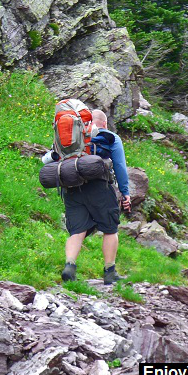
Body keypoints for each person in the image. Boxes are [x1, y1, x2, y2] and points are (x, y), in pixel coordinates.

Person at [59, 109, 130, 285]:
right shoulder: (110, 137)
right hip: (99, 187)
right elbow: (120, 166)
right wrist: (125, 192)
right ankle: (109, 272)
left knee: (77, 230)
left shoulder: (70, 137)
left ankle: (69, 266)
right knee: (110, 228)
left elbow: (49, 158)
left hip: (72, 187)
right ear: (104, 123)